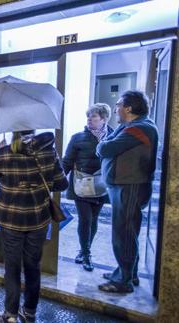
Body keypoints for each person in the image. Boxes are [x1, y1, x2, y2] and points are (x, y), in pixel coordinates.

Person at [0, 130, 68, 323]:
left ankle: (10, 315)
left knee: (12, 267)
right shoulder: (49, 153)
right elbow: (62, 184)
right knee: (33, 266)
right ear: (33, 130)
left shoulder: (4, 153)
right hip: (38, 219)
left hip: (10, 219)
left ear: (15, 131)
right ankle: (30, 312)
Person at [96, 90, 158, 293]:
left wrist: (102, 145)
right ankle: (127, 272)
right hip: (124, 186)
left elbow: (104, 149)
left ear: (129, 108)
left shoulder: (139, 128)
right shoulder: (129, 126)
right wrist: (105, 142)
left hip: (129, 187)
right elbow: (107, 142)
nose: (115, 109)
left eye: (119, 105)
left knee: (123, 233)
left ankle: (124, 281)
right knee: (127, 232)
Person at [62, 103, 113, 271]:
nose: (89, 120)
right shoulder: (78, 138)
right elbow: (67, 161)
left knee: (94, 220)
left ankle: (84, 250)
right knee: (85, 220)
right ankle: (86, 254)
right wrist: (59, 180)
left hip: (102, 186)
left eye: (94, 117)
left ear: (104, 119)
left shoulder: (114, 136)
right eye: (88, 117)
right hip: (81, 185)